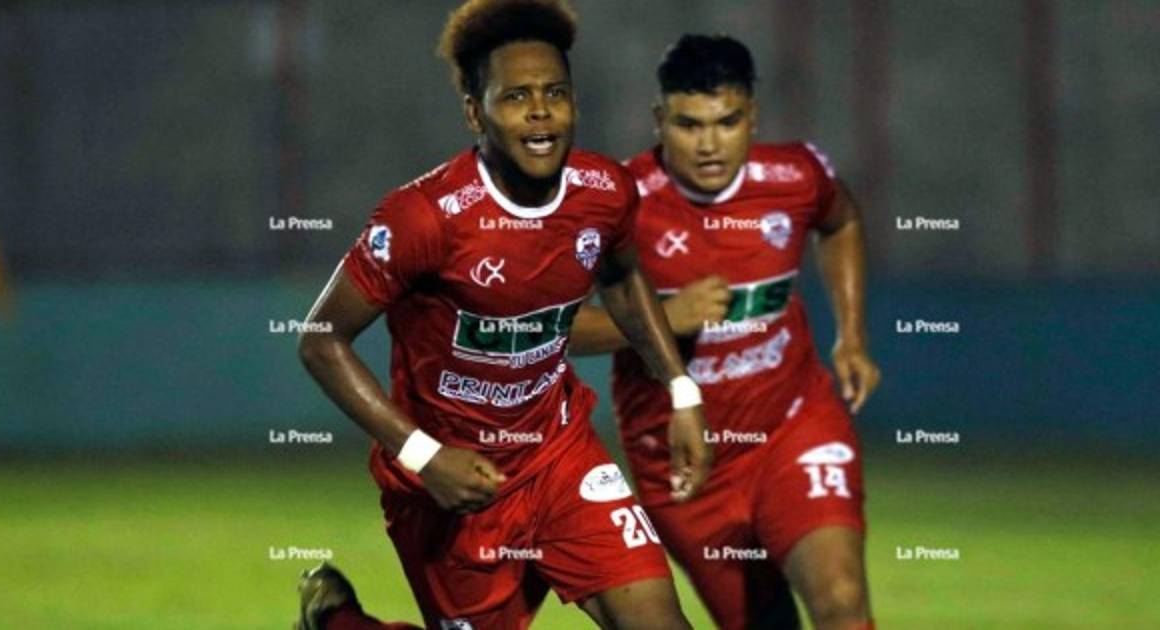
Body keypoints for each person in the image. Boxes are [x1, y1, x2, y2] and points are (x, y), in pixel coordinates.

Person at [295, 2, 712, 628]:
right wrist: (425, 457)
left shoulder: (604, 193)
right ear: (475, 112)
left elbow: (623, 279)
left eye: (555, 93)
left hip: (560, 459)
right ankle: (337, 622)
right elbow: (321, 340)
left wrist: (681, 389)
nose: (540, 110)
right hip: (455, 482)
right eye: (516, 96)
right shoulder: (424, 218)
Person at [569, 34, 880, 630]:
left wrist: (852, 335)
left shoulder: (796, 175)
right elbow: (553, 328)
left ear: (752, 116)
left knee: (841, 598)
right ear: (659, 119)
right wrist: (665, 319)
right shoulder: (618, 204)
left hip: (792, 427)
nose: (709, 145)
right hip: (685, 464)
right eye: (689, 125)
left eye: (727, 122)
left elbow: (841, 221)